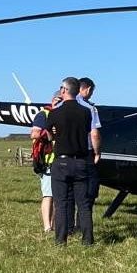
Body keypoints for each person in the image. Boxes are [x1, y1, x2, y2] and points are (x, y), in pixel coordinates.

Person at [46, 77, 99, 245]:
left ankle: (61, 241)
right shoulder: (86, 112)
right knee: (83, 205)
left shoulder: (55, 112)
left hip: (61, 162)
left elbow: (49, 135)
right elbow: (92, 133)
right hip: (81, 161)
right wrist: (97, 152)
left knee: (61, 204)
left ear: (64, 90)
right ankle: (88, 240)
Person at [30, 91, 62, 232]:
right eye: (56, 99)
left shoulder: (63, 115)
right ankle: (47, 226)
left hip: (62, 160)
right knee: (48, 195)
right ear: (52, 99)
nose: (58, 102)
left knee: (59, 196)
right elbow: (34, 133)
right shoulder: (44, 114)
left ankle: (55, 225)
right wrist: (49, 133)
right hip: (48, 161)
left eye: (61, 100)